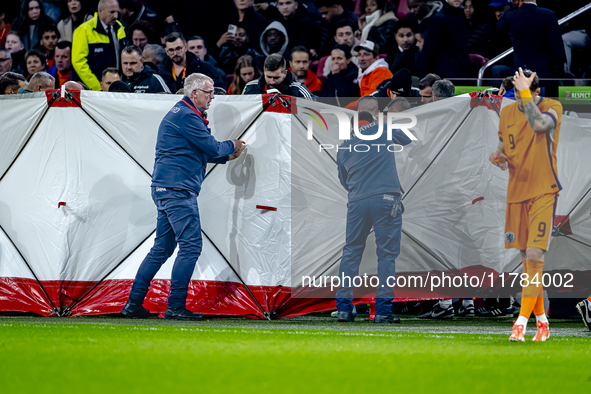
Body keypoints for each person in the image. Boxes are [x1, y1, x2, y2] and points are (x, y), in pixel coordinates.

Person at [121, 73, 246, 320]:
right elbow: (210, 146)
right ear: (194, 93)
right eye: (209, 92)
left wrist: (223, 156)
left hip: (165, 188)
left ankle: (133, 304)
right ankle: (175, 306)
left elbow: (194, 150)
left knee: (161, 249)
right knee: (190, 247)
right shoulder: (188, 116)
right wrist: (231, 146)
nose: (213, 97)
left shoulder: (182, 113)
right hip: (178, 191)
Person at [489, 68, 562, 342]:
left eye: (523, 96)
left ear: (536, 93)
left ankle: (519, 325)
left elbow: (539, 125)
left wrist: (525, 95)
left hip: (544, 190)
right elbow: (502, 146)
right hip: (516, 193)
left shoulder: (552, 106)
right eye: (515, 97)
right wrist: (497, 156)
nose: (518, 102)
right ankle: (542, 322)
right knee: (526, 262)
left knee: (534, 256)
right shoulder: (507, 112)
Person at [335, 95, 412, 324]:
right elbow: (407, 138)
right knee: (386, 255)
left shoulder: (343, 147)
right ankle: (383, 311)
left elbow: (344, 181)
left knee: (351, 252)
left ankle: (343, 309)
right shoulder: (382, 129)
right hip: (386, 200)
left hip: (357, 201)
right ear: (375, 116)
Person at [496, 0, 566, 95]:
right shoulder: (548, 15)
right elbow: (557, 48)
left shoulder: (510, 16)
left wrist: (512, 6)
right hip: (543, 76)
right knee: (542, 109)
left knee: (519, 109)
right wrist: (561, 73)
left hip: (518, 76)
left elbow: (496, 32)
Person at [72, 0, 127, 91]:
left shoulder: (119, 27)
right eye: (112, 12)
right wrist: (98, 87)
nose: (116, 16)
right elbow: (79, 63)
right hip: (91, 90)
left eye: (117, 12)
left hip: (115, 88)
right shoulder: (84, 30)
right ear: (100, 11)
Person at [159, 32, 226, 94]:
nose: (175, 53)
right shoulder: (161, 72)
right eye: (171, 50)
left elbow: (220, 92)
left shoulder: (205, 68)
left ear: (185, 47)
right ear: (166, 51)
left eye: (178, 48)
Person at [418, 0, 470, 79]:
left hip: (461, 73)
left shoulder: (462, 17)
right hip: (444, 76)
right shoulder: (439, 19)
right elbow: (429, 51)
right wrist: (424, 77)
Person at [243, 53, 314, 98]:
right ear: (264, 71)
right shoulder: (250, 87)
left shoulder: (298, 90)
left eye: (276, 78)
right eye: (269, 77)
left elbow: (315, 111)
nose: (272, 81)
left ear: (285, 74)